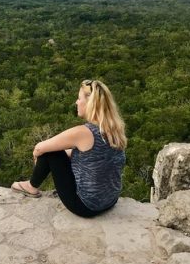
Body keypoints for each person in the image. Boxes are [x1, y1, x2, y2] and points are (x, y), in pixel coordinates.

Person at [11, 79, 127, 217]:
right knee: (55, 151)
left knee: (51, 152)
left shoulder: (82, 133)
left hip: (86, 207)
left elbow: (39, 148)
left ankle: (31, 186)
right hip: (110, 200)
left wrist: (39, 158)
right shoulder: (114, 131)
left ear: (90, 104)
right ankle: (32, 185)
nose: (76, 102)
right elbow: (89, 156)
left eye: (79, 99)